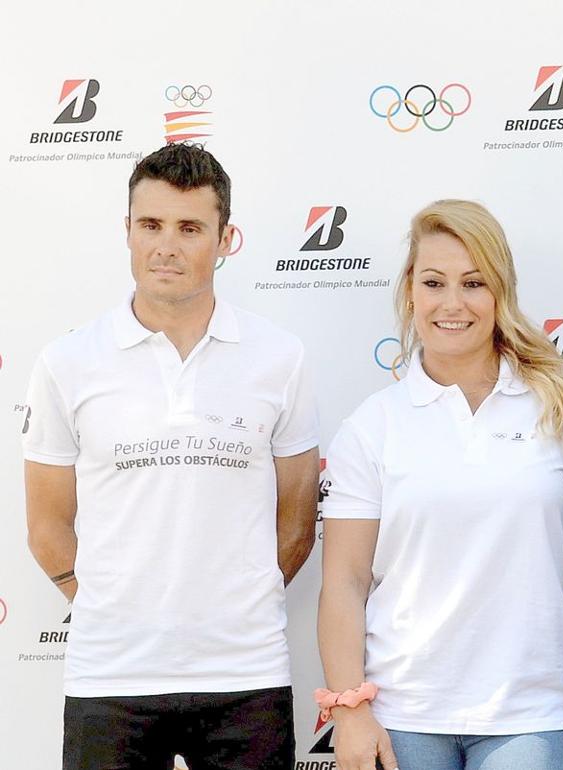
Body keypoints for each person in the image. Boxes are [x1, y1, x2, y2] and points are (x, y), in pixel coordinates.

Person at [23, 142, 321, 770]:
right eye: (150, 225)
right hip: (110, 680)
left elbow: (297, 519)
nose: (167, 245)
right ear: (126, 232)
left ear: (225, 239)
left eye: (190, 228)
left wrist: (243, 598)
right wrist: (111, 603)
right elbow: (48, 525)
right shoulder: (68, 362)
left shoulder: (279, 357)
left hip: (246, 673)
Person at [317, 199, 563, 770]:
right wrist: (349, 709)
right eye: (434, 282)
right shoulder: (373, 425)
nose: (452, 303)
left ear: (499, 293)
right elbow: (344, 580)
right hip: (402, 714)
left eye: (474, 282)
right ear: (410, 291)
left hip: (528, 716)